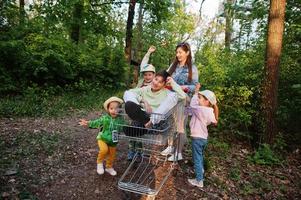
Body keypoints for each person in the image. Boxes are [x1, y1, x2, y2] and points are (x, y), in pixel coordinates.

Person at [161, 42, 199, 161]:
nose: (178, 55)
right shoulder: (173, 66)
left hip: (183, 99)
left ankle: (179, 153)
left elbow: (194, 87)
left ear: (187, 53)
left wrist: (182, 87)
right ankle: (171, 146)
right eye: (177, 52)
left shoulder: (192, 68)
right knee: (170, 122)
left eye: (180, 52)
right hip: (170, 98)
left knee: (180, 126)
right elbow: (165, 78)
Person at [79, 97, 124, 176]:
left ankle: (109, 167)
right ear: (108, 109)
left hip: (113, 140)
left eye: (116, 109)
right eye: (111, 108)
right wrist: (88, 123)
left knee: (112, 155)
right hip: (102, 138)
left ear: (120, 110)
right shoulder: (105, 118)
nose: (113, 111)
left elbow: (124, 127)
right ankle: (99, 163)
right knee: (104, 150)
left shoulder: (121, 120)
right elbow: (97, 122)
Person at [128, 46, 156, 161]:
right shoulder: (140, 82)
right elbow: (143, 64)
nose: (147, 77)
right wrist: (148, 52)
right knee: (133, 130)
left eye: (150, 75)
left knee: (138, 131)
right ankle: (131, 150)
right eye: (145, 74)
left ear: (154, 75)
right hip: (137, 109)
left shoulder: (154, 85)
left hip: (146, 112)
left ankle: (138, 152)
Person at [187, 83, 219, 188]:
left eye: (200, 98)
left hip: (197, 138)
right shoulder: (210, 111)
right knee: (200, 156)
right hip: (203, 138)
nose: (198, 99)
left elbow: (192, 105)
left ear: (207, 101)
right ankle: (200, 170)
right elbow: (214, 121)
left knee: (197, 158)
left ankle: (199, 180)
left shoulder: (200, 109)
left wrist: (196, 91)